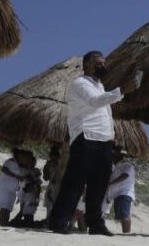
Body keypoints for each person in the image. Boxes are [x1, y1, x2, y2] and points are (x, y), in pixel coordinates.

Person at [47, 51, 140, 235]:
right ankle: (59, 222)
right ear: (87, 64)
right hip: (85, 137)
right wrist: (121, 91)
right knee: (75, 182)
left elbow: (105, 113)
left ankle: (96, 224)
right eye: (99, 63)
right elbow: (94, 102)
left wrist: (111, 135)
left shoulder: (101, 86)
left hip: (103, 140)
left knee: (99, 185)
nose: (103, 66)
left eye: (104, 63)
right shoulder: (80, 83)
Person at [0, 148, 30, 227]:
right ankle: (3, 225)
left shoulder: (21, 166)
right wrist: (16, 176)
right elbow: (4, 169)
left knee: (8, 209)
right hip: (4, 188)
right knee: (4, 207)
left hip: (12, 190)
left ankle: (4, 224)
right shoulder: (11, 161)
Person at [107, 147, 136, 234]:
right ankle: (125, 233)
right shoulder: (118, 166)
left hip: (124, 193)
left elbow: (125, 176)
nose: (112, 157)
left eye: (114, 155)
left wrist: (110, 184)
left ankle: (126, 234)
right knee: (121, 215)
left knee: (124, 215)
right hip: (118, 194)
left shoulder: (127, 165)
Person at [13, 153, 42, 227]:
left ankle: (18, 222)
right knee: (24, 208)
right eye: (31, 162)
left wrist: (37, 193)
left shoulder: (35, 171)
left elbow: (38, 183)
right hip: (24, 190)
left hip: (31, 191)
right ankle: (17, 222)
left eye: (34, 163)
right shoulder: (24, 170)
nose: (32, 164)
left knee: (28, 209)